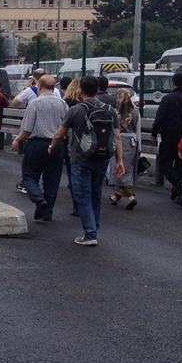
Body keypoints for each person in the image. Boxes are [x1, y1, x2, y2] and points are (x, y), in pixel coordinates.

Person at [49, 75, 125, 246]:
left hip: (80, 157)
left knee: (82, 194)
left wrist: (52, 147)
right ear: (98, 89)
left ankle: (90, 234)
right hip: (103, 157)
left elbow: (59, 134)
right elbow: (117, 137)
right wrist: (119, 160)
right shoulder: (110, 110)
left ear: (80, 90)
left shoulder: (76, 110)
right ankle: (93, 228)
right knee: (96, 192)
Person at [10, 74, 67, 221]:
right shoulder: (63, 104)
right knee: (52, 179)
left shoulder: (35, 103)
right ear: (54, 88)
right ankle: (48, 212)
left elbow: (27, 129)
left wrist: (17, 140)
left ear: (39, 86)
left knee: (29, 176)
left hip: (37, 143)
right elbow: (67, 128)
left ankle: (39, 199)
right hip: (57, 144)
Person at [151, 72, 182, 201]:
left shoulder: (168, 98)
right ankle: (177, 189)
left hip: (169, 135)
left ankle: (176, 181)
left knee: (164, 161)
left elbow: (160, 116)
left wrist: (154, 132)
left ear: (173, 83)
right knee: (181, 162)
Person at [108, 88, 140, 210]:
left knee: (118, 168)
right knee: (128, 168)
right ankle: (116, 196)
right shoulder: (135, 112)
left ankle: (131, 196)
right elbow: (138, 130)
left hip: (118, 140)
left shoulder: (114, 112)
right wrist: (139, 146)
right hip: (132, 141)